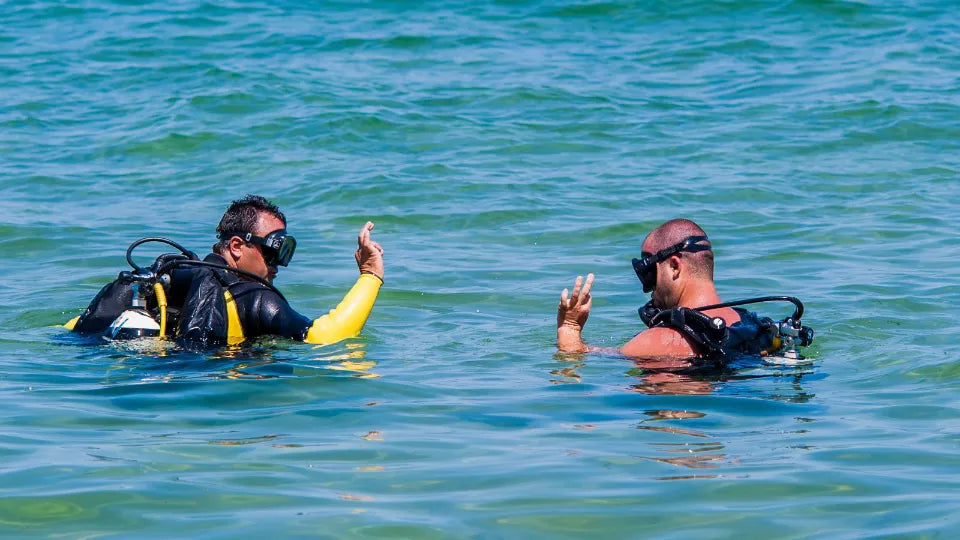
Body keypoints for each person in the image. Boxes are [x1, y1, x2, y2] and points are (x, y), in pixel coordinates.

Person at [69, 195, 384, 347]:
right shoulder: (251, 296)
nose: (278, 264)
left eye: (285, 251)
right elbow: (325, 335)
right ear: (236, 246)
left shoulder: (166, 277)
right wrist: (370, 275)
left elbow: (73, 329)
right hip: (210, 397)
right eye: (275, 249)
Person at [557, 218, 779, 361]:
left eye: (649, 273)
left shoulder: (658, 342)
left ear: (674, 266)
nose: (648, 289)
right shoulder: (750, 324)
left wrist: (569, 329)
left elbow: (577, 370)